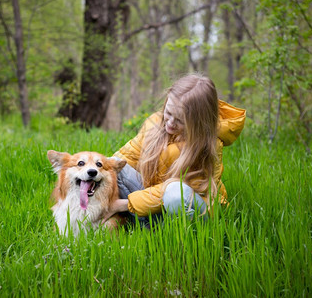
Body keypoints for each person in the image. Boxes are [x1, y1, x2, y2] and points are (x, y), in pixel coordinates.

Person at [102, 73, 246, 224]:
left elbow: (174, 191)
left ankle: (178, 238)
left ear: (198, 121)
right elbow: (127, 158)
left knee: (175, 194)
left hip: (190, 208)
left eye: (180, 120)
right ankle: (137, 224)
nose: (170, 123)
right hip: (150, 204)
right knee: (110, 167)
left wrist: (124, 205)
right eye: (168, 113)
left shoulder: (208, 145)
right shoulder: (155, 123)